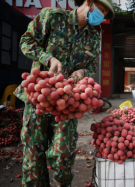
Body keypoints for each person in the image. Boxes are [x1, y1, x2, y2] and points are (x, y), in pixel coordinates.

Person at [13, 0, 114, 186]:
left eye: (104, 13)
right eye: (100, 9)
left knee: (63, 155)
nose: (101, 15)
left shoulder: (93, 36)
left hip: (68, 102)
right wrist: (48, 58)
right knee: (34, 154)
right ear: (88, 2)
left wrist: (83, 72)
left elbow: (92, 65)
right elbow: (26, 41)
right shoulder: (52, 17)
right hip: (39, 98)